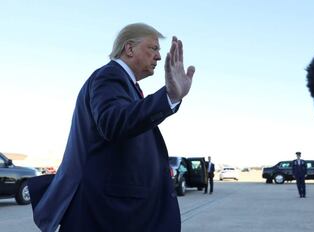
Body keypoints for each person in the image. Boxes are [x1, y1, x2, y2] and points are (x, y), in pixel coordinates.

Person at [28, 23, 195, 232]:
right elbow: (112, 122)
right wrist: (169, 97)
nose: (159, 57)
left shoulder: (126, 84)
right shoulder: (109, 76)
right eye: (153, 48)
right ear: (129, 48)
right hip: (105, 213)